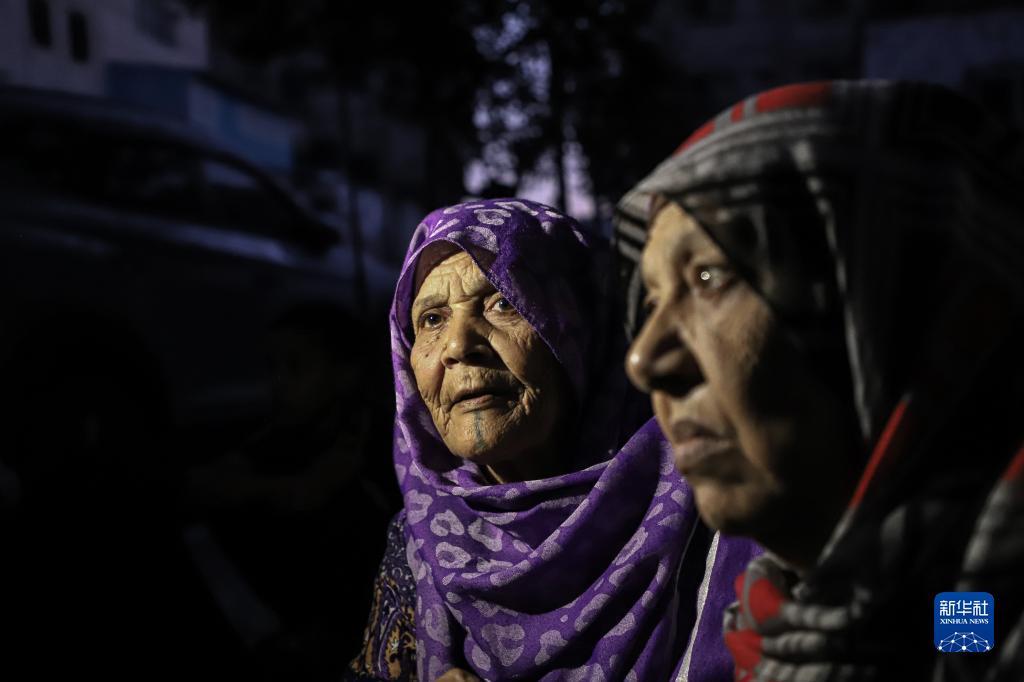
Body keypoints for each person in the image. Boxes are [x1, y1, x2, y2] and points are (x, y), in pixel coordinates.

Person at [619, 80, 1024, 681]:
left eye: (710, 277)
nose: (645, 360)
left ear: (903, 303)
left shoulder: (977, 619)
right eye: (652, 301)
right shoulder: (773, 621)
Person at [346, 198, 760, 681]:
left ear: (580, 329)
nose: (458, 346)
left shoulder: (716, 495)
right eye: (432, 320)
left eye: (503, 302)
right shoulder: (418, 537)